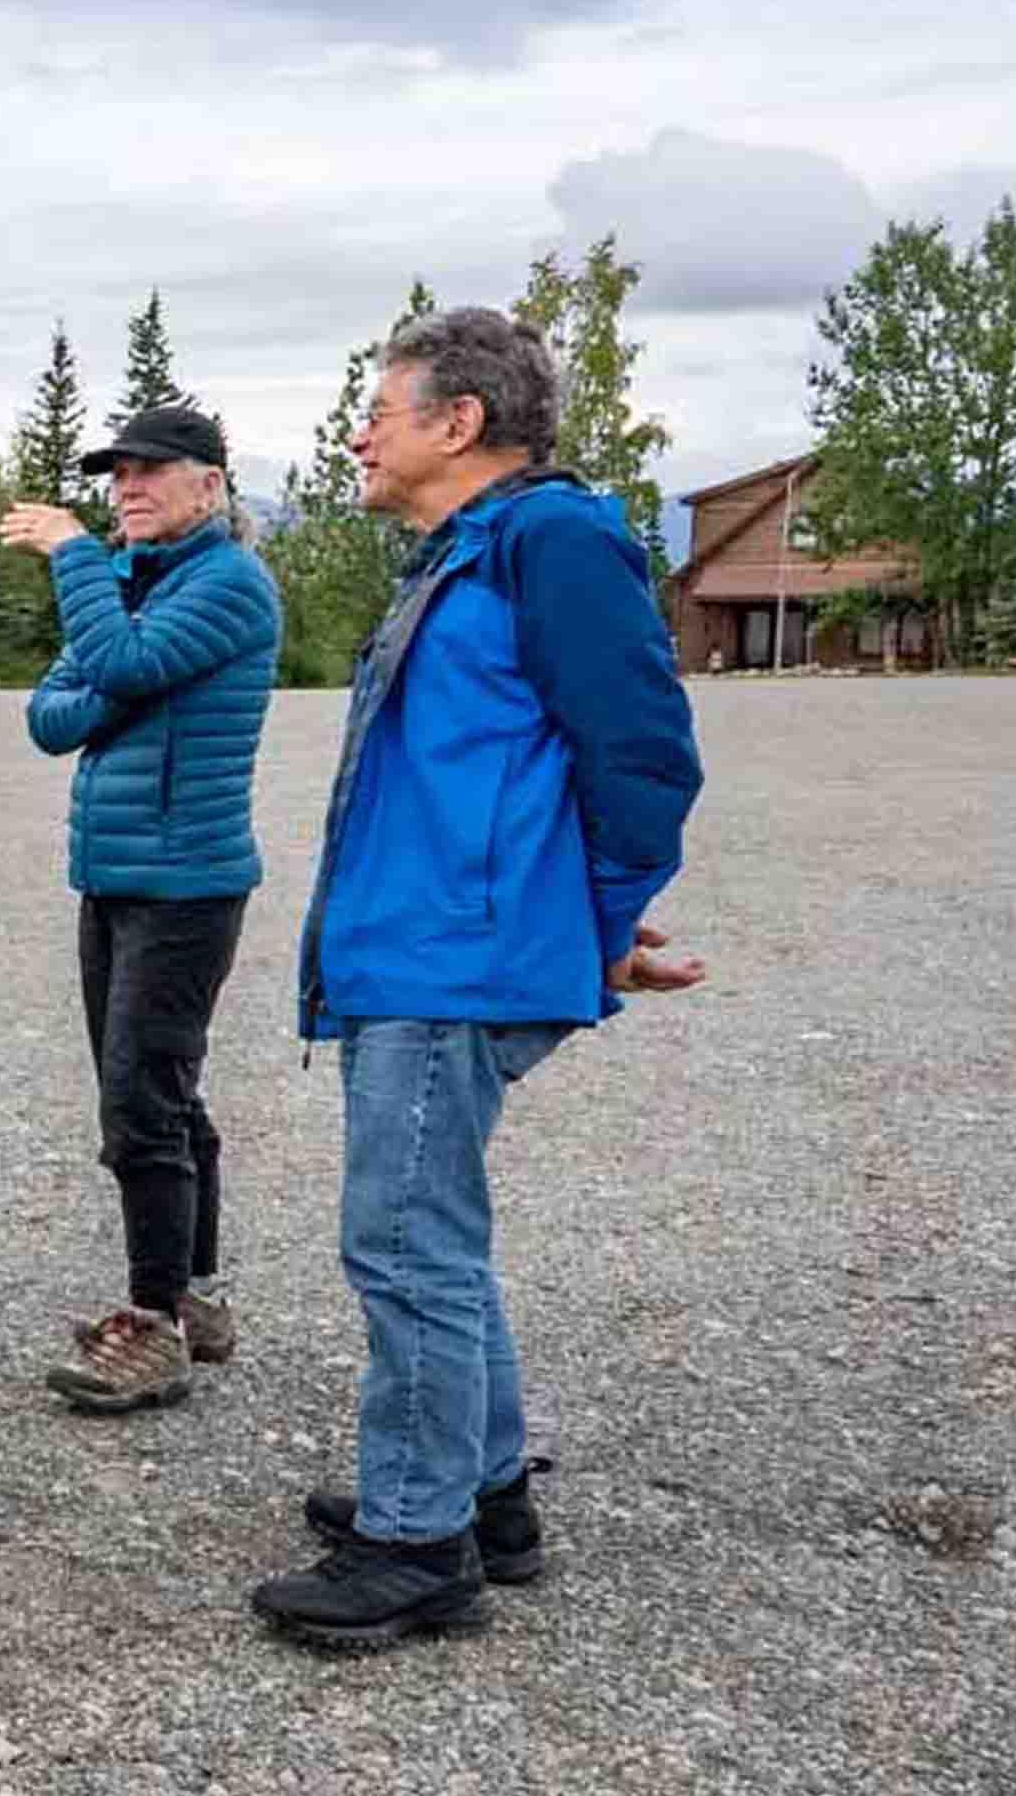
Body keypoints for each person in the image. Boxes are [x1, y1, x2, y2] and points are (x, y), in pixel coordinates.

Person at [255, 305, 704, 1649]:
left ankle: (417, 1541)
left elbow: (646, 755)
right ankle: (486, 1497)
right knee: (430, 1228)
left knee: (401, 1241)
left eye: (379, 412)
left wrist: (603, 919)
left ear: (460, 423)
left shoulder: (552, 540)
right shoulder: (467, 547)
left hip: (456, 960)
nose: (358, 434)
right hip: (418, 947)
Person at [1, 405, 283, 1416]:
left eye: (150, 471)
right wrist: (122, 674)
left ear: (210, 484)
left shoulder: (229, 583)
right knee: (165, 1090)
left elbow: (111, 671)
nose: (125, 486)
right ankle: (193, 1297)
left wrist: (75, 558)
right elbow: (49, 716)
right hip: (116, 877)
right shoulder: (140, 587)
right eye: (116, 472)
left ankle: (152, 1322)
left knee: (138, 1102)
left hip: (186, 882)